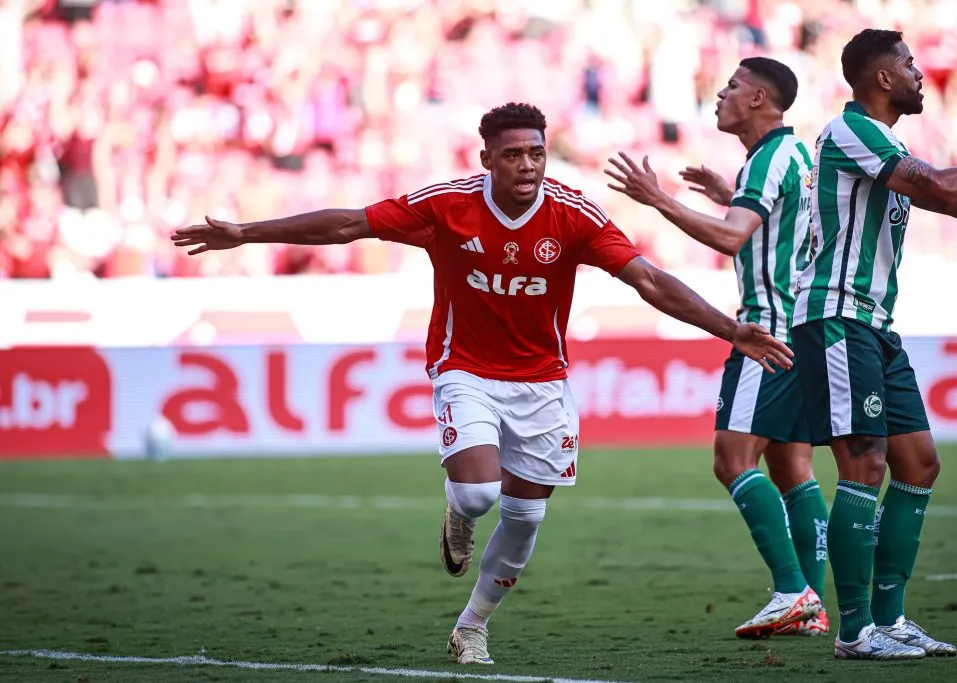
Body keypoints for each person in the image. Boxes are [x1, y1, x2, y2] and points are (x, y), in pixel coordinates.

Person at [171, 102, 794, 666]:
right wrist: (246, 233)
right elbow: (348, 226)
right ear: (487, 159)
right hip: (464, 368)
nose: (528, 165)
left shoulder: (573, 214)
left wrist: (729, 329)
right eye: (514, 154)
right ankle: (457, 513)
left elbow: (649, 281)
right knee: (475, 496)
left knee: (524, 517)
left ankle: (471, 627)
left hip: (544, 383)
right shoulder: (448, 203)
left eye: (537, 152)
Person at [790, 29, 957, 660]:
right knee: (863, 464)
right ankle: (855, 630)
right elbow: (948, 189)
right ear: (883, 78)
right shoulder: (851, 132)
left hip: (875, 324)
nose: (920, 73)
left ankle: (890, 621)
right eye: (911, 63)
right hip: (837, 318)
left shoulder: (888, 140)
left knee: (918, 464)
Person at [604, 57, 829, 639]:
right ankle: (811, 604)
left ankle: (790, 590)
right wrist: (728, 192)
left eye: (731, 86)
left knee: (732, 461)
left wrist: (657, 199)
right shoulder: (795, 157)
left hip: (765, 334)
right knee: (792, 467)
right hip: (805, 331)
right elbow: (782, 230)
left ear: (758, 98)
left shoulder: (769, 158)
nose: (720, 94)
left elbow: (732, 235)